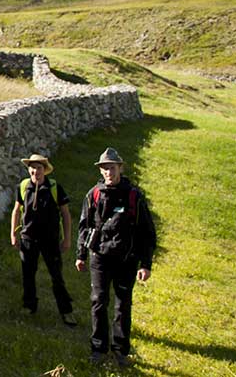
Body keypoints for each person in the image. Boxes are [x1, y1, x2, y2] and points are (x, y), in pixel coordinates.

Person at [74, 147, 157, 367]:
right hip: (100, 257)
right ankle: (98, 349)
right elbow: (84, 226)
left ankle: (121, 351)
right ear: (101, 171)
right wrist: (81, 254)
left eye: (112, 167)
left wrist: (146, 264)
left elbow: (146, 232)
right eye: (104, 168)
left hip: (126, 259)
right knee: (98, 302)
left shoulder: (134, 196)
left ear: (120, 167)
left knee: (122, 305)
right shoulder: (93, 194)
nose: (108, 172)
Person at [9, 154, 76, 326]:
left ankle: (66, 311)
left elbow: (66, 214)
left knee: (56, 276)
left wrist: (67, 239)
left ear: (44, 170)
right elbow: (16, 211)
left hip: (50, 240)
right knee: (28, 274)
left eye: (39, 168)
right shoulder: (24, 187)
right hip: (28, 239)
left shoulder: (54, 188)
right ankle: (29, 306)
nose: (35, 171)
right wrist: (13, 234)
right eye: (32, 167)